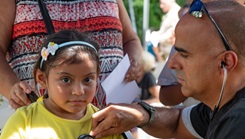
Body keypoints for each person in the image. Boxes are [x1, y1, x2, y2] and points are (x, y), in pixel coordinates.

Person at [89, 1, 245, 138]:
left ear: (226, 61)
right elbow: (177, 123)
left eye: (184, 54)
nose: (171, 64)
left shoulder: (238, 121)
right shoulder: (221, 104)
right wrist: (140, 114)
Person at [0, 0, 142, 131]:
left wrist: (135, 60)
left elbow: (130, 39)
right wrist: (14, 88)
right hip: (40, 124)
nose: (78, 91)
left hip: (109, 123)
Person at [0, 29, 126, 139]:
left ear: (97, 75)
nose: (79, 91)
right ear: (42, 78)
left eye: (87, 80)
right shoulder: (23, 122)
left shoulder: (104, 125)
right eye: (66, 79)